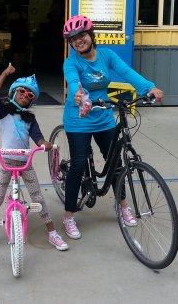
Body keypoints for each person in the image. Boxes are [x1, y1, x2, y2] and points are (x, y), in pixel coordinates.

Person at [60, 15, 164, 240]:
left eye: (81, 36)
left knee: (116, 163)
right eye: (73, 39)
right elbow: (72, 79)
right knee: (78, 165)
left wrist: (149, 87)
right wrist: (79, 94)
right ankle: (69, 216)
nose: (78, 41)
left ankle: (123, 205)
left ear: (91, 35)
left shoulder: (106, 55)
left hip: (104, 115)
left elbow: (127, 72)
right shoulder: (71, 62)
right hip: (78, 118)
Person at [0, 63, 69, 255]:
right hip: (6, 162)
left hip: (25, 162)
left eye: (30, 95)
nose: (25, 96)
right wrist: (5, 73)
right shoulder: (4, 112)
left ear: (32, 101)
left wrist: (44, 143)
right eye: (22, 92)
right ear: (14, 92)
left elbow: (37, 136)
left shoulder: (30, 119)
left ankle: (52, 232)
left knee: (37, 197)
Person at [8, 6, 30, 73]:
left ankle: (18, 68)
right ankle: (22, 67)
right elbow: (27, 23)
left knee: (16, 52)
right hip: (24, 34)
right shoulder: (23, 14)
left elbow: (8, 23)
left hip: (16, 34)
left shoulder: (12, 15)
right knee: (22, 51)